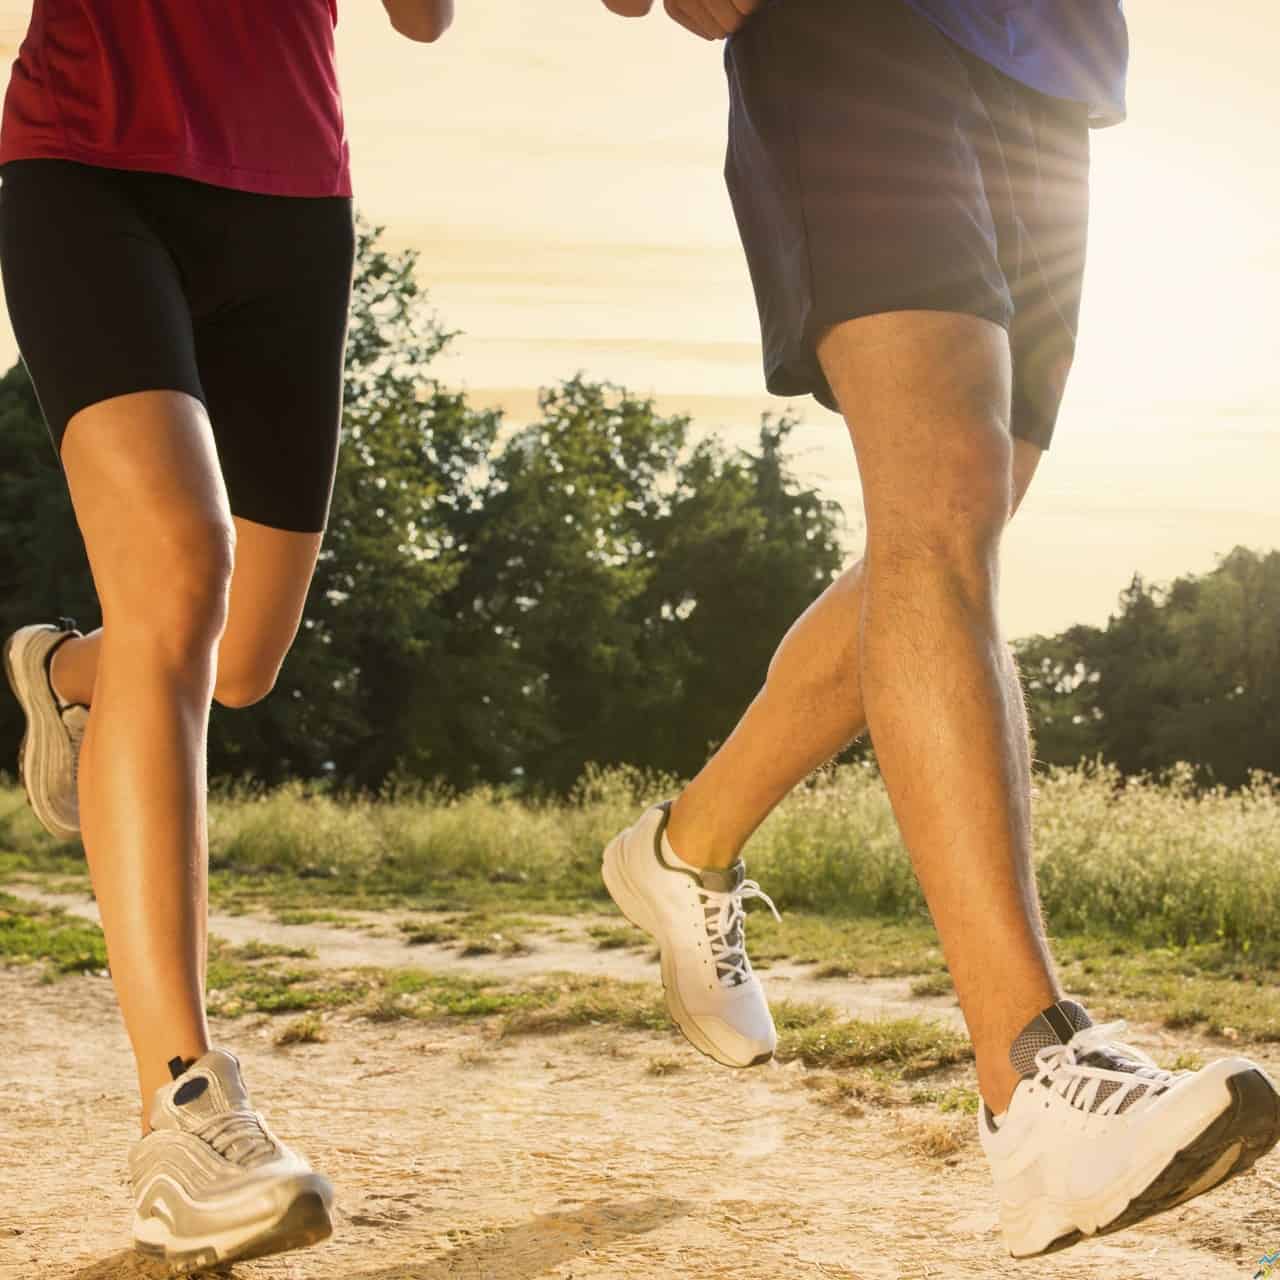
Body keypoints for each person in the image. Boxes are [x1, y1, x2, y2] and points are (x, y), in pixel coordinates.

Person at [598, 0, 1280, 1257]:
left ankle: (683, 850)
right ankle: (1029, 1083)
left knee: (952, 528)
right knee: (941, 502)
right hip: (858, 27)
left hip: (1052, 66)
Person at [0, 0, 453, 1269]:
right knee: (181, 574)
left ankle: (66, 671)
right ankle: (184, 1110)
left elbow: (424, 18)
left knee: (238, 656)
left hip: (290, 193)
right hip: (87, 161)